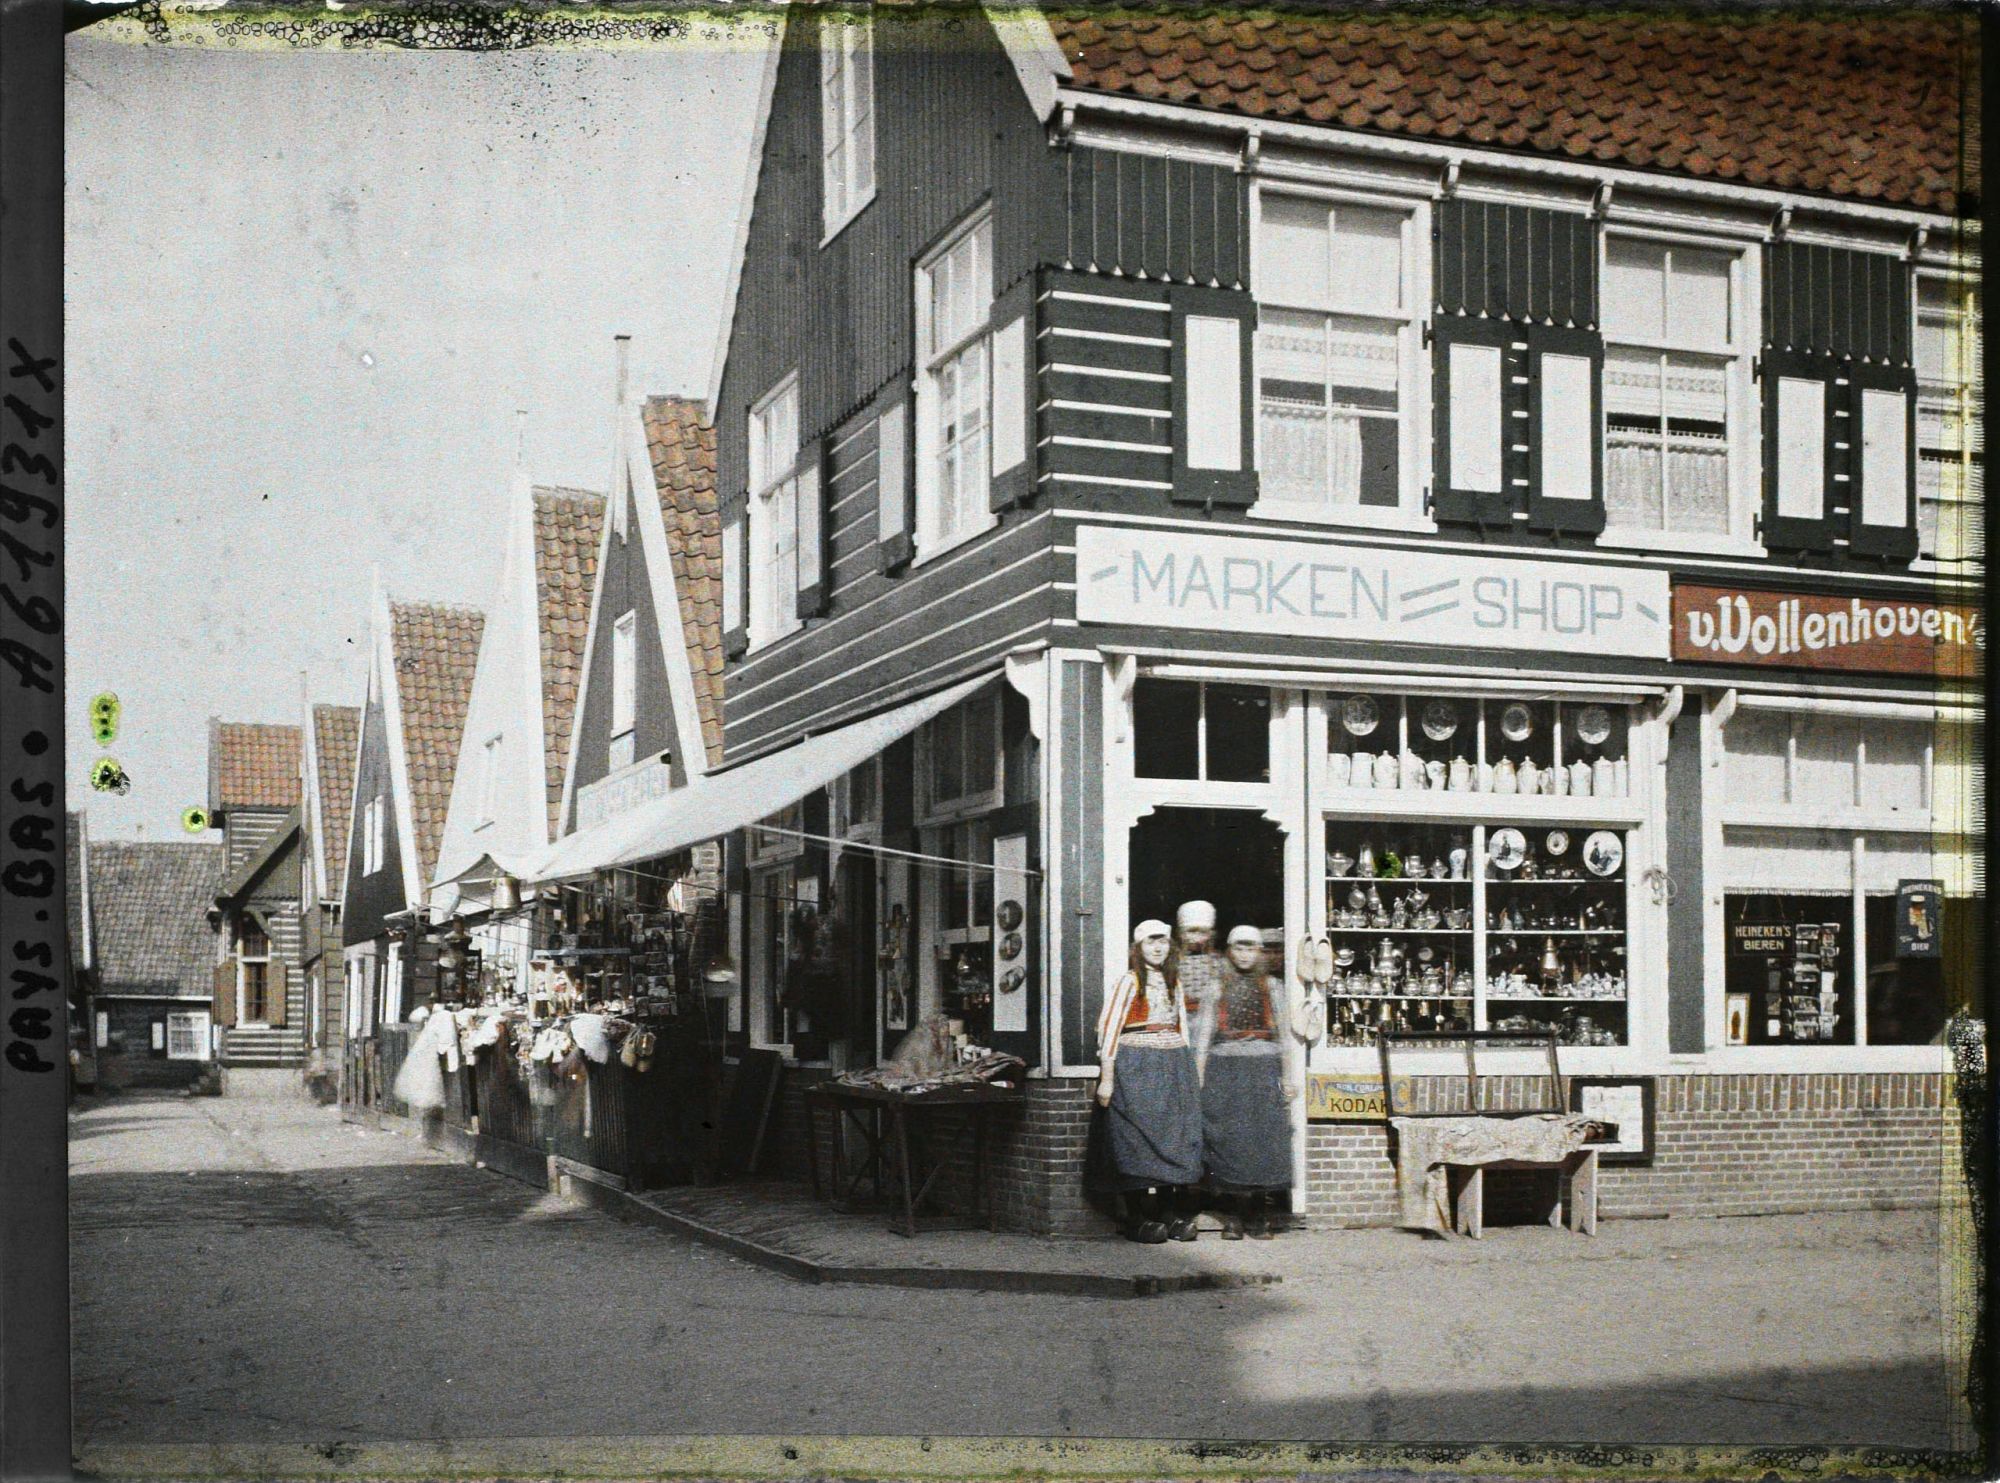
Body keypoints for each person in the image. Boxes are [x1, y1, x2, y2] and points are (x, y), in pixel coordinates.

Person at [1095, 920, 1203, 1243]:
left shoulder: (1174, 983)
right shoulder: (1129, 983)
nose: (1158, 948)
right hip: (1136, 1068)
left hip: (1171, 1067)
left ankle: (1168, 1214)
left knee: (1173, 1137)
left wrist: (1188, 1074)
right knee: (1136, 1140)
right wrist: (1107, 1079)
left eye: (1164, 942)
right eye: (1151, 943)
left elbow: (1182, 1027)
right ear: (1138, 948)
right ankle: (1137, 1216)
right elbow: (1109, 1029)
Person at [1201, 924, 1301, 1239]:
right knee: (1229, 1140)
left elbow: (1285, 1034)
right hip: (1225, 1070)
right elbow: (1203, 1035)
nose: (1245, 955)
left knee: (1265, 1141)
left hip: (1263, 1068)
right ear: (1230, 951)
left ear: (1259, 952)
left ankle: (1259, 1214)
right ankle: (1232, 1216)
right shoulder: (1216, 987)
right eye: (1239, 948)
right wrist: (1198, 1076)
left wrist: (1288, 1076)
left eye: (1251, 949)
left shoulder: (1272, 987)